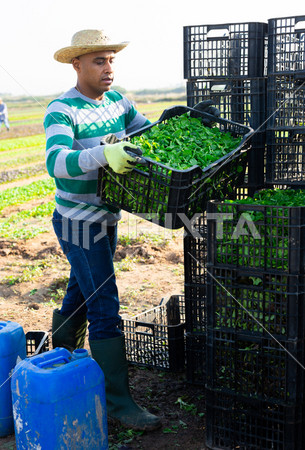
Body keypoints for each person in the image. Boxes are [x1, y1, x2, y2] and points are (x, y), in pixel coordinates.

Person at [45, 29, 219, 432]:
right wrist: (104, 152)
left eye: (110, 60)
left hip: (106, 218)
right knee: (104, 303)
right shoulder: (61, 109)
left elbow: (150, 135)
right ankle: (120, 403)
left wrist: (188, 120)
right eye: (98, 61)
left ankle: (60, 355)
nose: (108, 68)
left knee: (82, 290)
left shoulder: (119, 101)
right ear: (77, 65)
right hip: (77, 220)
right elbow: (56, 162)